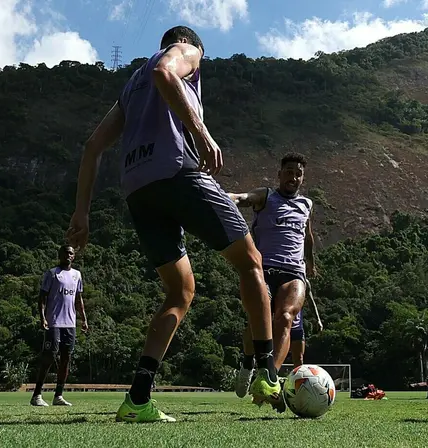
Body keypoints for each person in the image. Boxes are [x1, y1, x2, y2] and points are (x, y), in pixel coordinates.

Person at [65, 25, 282, 423]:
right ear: (191, 47)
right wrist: (202, 134)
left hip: (138, 190)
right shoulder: (187, 52)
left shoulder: (130, 85)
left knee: (180, 292)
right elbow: (166, 72)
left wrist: (82, 212)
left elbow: (93, 146)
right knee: (251, 260)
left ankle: (137, 399)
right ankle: (267, 373)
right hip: (177, 173)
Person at [228, 152, 317, 398]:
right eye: (289, 172)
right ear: (279, 174)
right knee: (258, 321)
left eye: (298, 173)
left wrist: (310, 262)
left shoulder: (307, 205)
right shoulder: (267, 197)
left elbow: (307, 236)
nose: (294, 177)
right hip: (264, 270)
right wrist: (227, 199)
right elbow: (243, 198)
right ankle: (248, 363)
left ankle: (268, 377)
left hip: (294, 273)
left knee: (286, 317)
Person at [30, 245, 88, 407]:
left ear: (74, 256)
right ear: (60, 255)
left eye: (71, 253)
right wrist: (42, 318)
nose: (68, 255)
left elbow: (78, 298)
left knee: (66, 359)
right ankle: (37, 395)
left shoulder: (77, 275)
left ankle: (59, 395)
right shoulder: (52, 274)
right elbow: (42, 297)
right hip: (54, 322)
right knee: (49, 357)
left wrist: (83, 318)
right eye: (65, 253)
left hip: (70, 323)